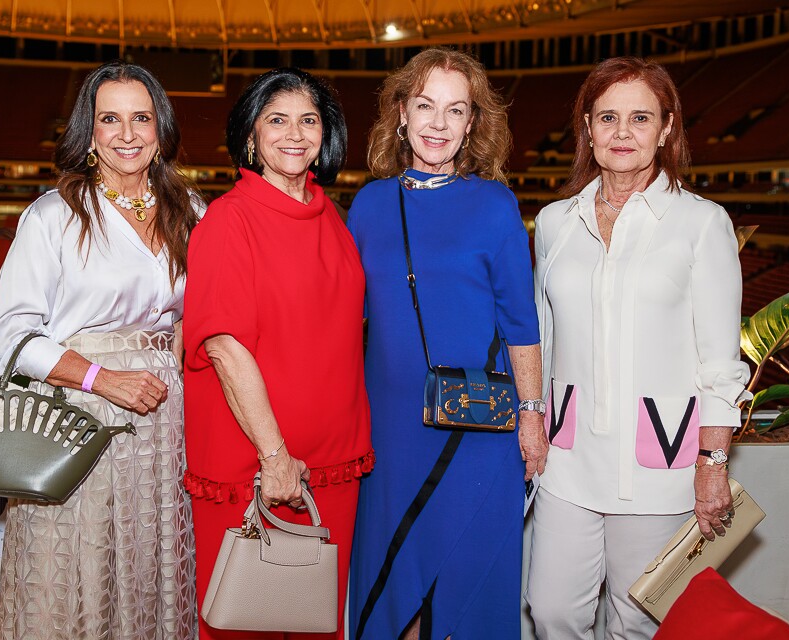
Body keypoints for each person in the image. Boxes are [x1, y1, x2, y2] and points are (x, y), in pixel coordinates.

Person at [527, 56, 751, 639]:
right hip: (567, 459)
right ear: (587, 128)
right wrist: (532, 422)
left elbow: (721, 361)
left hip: (660, 461)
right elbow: (543, 338)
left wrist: (713, 462)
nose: (622, 132)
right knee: (551, 611)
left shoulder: (702, 223)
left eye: (640, 118)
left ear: (667, 128)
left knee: (641, 620)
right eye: (607, 117)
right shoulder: (554, 222)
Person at [0, 61, 203, 640]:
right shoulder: (54, 215)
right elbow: (9, 337)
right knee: (77, 582)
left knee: (155, 575)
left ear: (162, 130)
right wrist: (101, 379)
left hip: (168, 425)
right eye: (111, 119)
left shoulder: (193, 213)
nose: (127, 134)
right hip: (78, 424)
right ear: (90, 131)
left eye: (142, 118)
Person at [347, 48, 547, 640]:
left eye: (455, 110)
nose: (438, 123)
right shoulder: (369, 204)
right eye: (426, 106)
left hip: (478, 428)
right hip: (389, 429)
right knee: (395, 588)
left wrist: (532, 417)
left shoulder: (496, 205)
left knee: (466, 584)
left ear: (471, 124)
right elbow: (344, 317)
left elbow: (521, 321)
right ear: (401, 114)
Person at [182, 67, 372, 640]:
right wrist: (274, 456)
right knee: (245, 623)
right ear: (250, 136)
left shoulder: (331, 216)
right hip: (257, 463)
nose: (295, 133)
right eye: (277, 120)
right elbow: (224, 345)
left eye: (309, 120)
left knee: (316, 624)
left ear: (326, 133)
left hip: (332, 466)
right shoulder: (228, 220)